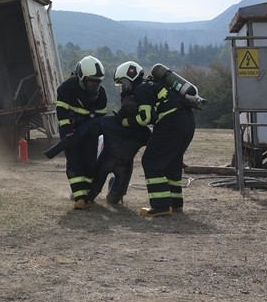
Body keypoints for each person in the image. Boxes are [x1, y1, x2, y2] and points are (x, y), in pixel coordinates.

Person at [130, 63, 198, 216]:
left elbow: (145, 117)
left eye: (122, 83)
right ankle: (175, 204)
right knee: (172, 162)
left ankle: (160, 207)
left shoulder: (141, 88)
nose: (123, 88)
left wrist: (127, 121)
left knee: (151, 161)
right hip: (187, 121)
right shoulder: (157, 84)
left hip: (172, 122)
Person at [81, 60, 152, 206]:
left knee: (99, 196)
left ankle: (91, 194)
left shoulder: (117, 123)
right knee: (105, 198)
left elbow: (89, 128)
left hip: (113, 162)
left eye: (123, 85)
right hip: (119, 163)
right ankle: (93, 193)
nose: (123, 89)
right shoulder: (141, 131)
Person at [54, 55, 109, 208]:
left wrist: (95, 133)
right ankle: (79, 197)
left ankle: (86, 194)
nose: (94, 86)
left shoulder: (102, 95)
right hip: (70, 131)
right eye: (91, 82)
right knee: (74, 162)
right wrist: (67, 132)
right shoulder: (66, 89)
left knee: (90, 163)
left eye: (97, 82)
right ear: (81, 79)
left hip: (90, 133)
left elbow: (101, 119)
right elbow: (62, 113)